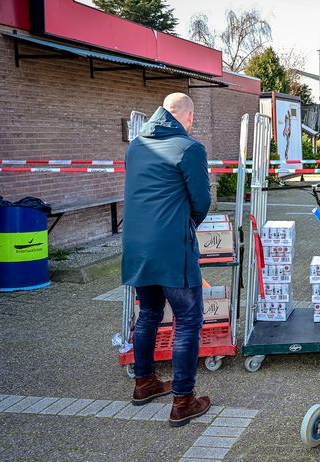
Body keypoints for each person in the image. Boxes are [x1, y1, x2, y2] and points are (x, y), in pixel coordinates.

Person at [122, 92, 212, 426]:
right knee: (188, 320)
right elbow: (201, 200)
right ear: (187, 116)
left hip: (136, 246)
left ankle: (144, 383)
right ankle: (182, 401)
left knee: (148, 313)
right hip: (173, 246)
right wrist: (185, 225)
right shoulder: (189, 148)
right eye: (192, 119)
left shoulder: (136, 146)